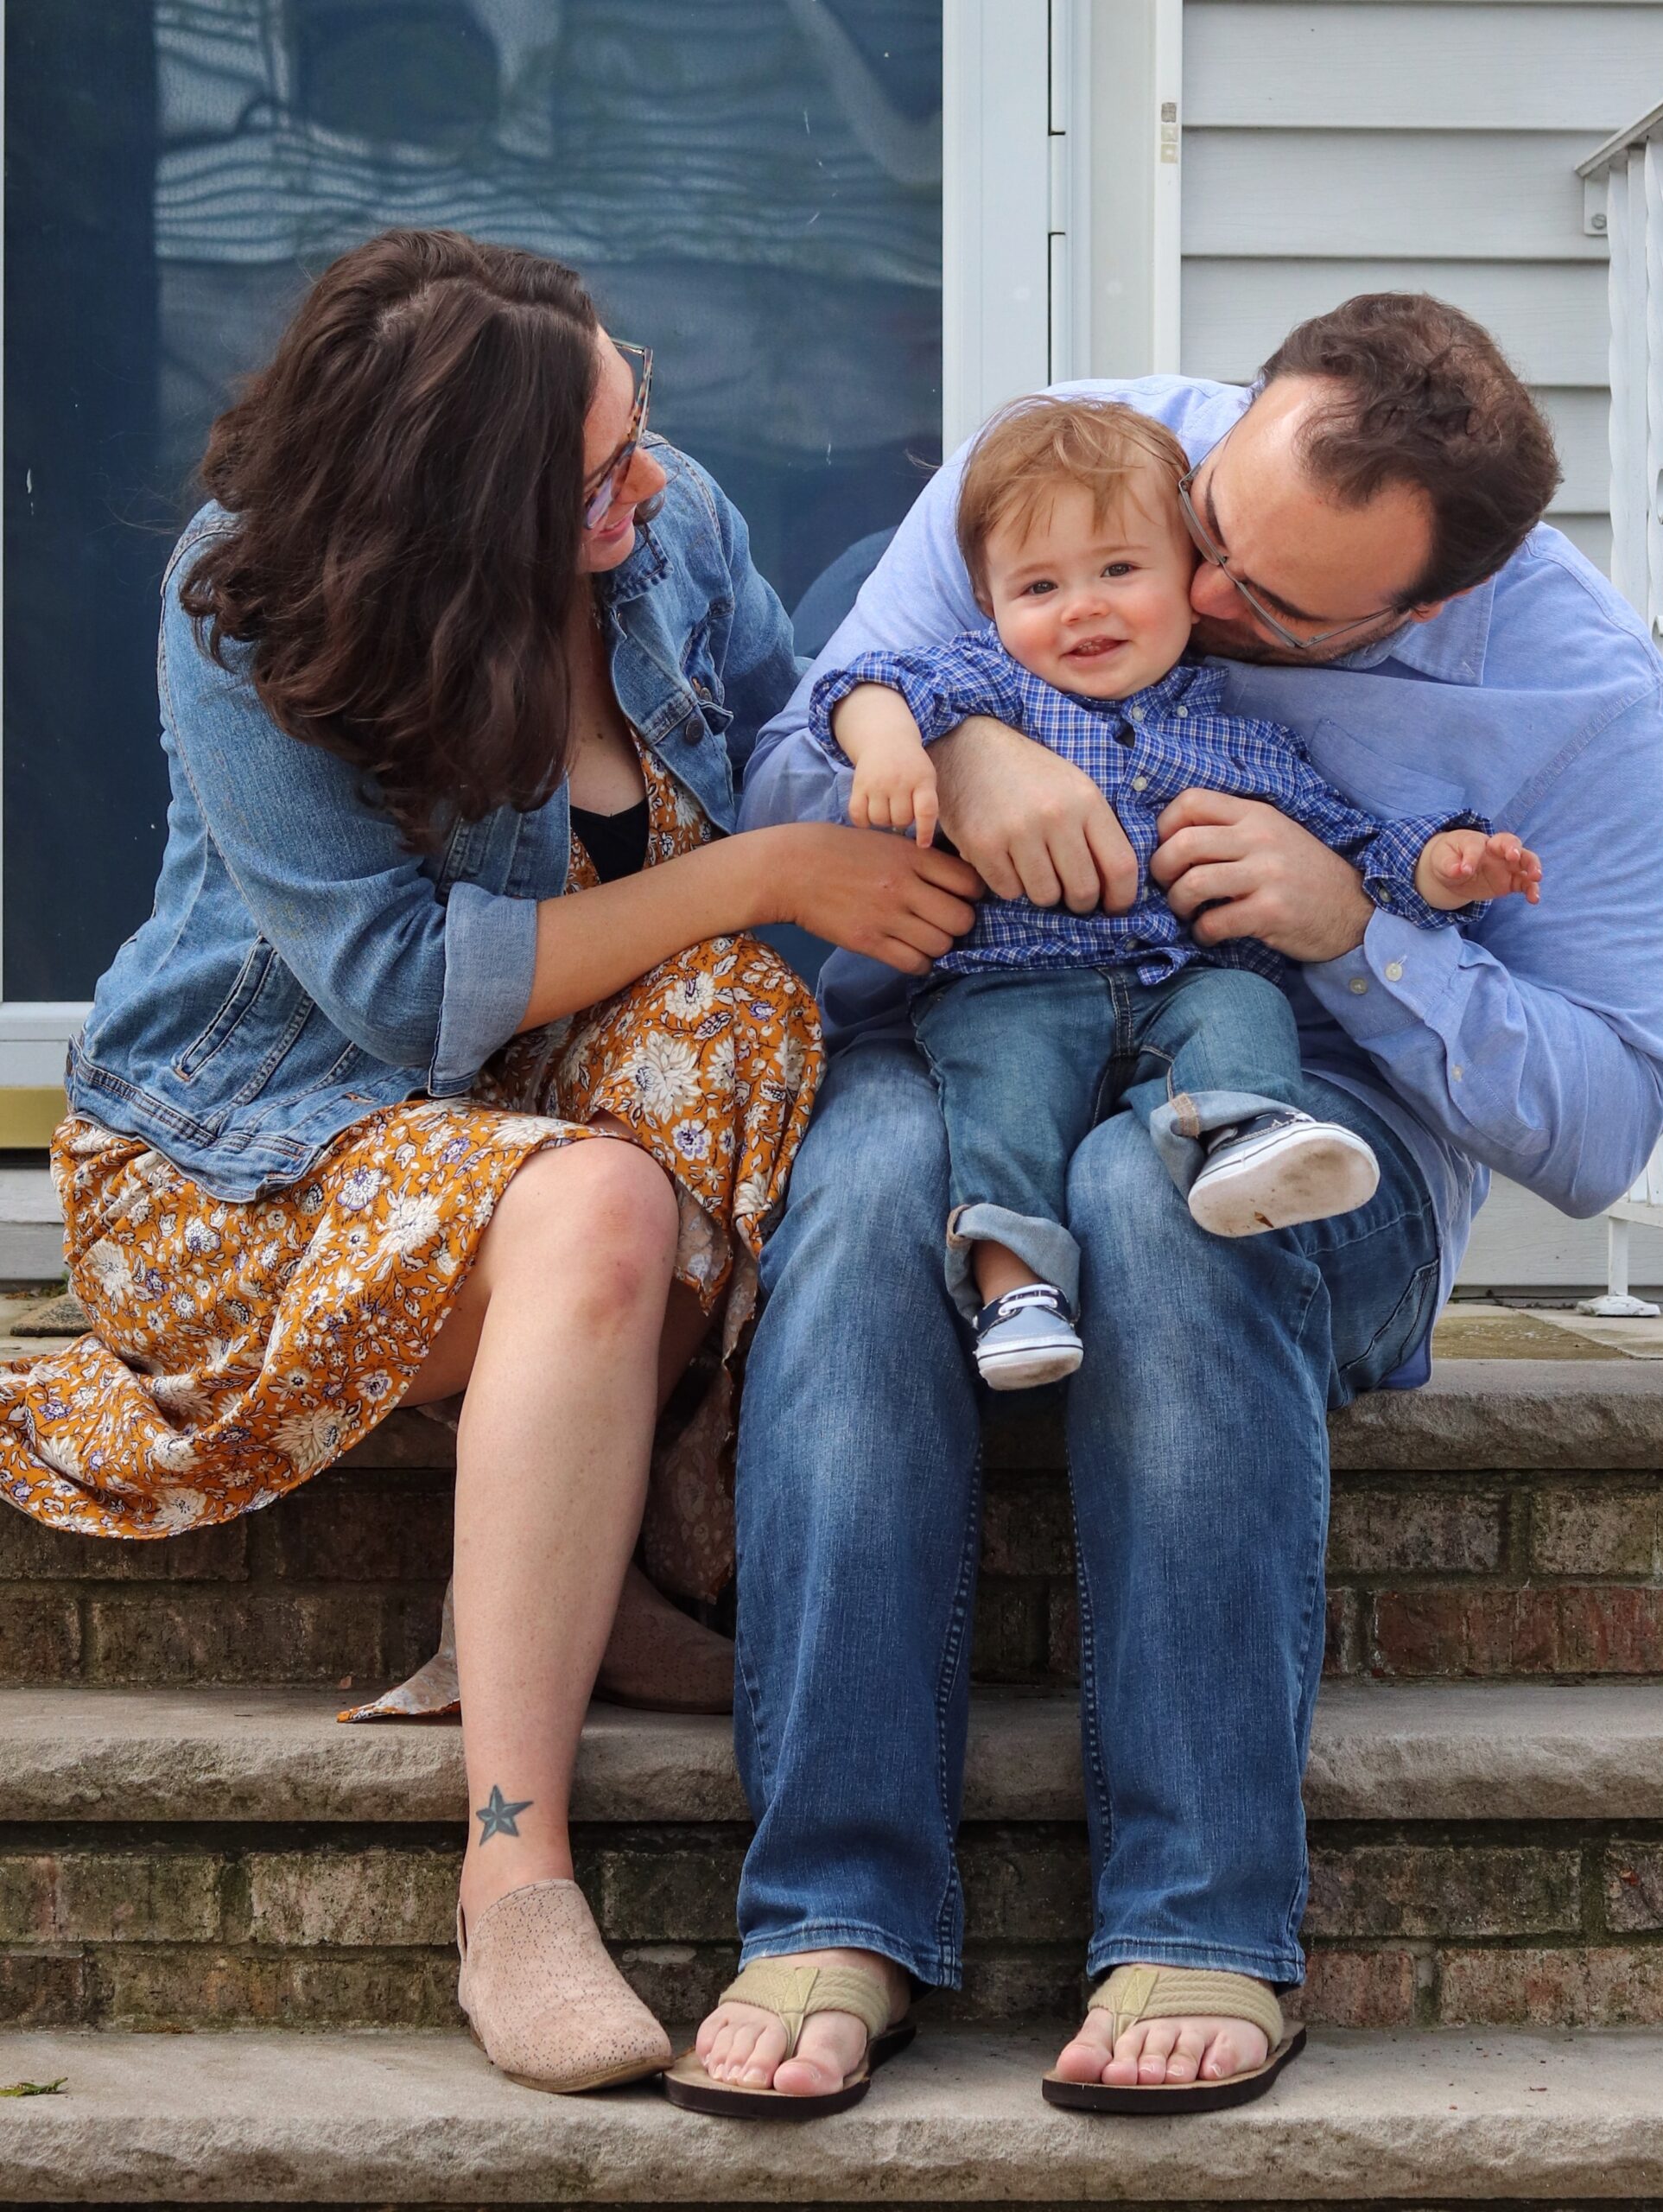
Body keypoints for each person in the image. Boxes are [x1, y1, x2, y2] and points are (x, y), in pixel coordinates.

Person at [675, 294, 1663, 2117]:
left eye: (1273, 607)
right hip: (981, 1037)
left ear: (1422, 605)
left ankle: (1203, 1918)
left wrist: (1355, 929)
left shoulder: (1578, 689)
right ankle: (831, 1905)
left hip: (1315, 1133)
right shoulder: (1074, 459)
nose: (1199, 598)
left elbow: (1609, 1118)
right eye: (1207, 525)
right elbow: (786, 787)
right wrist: (968, 750)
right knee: (871, 1174)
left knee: (1169, 1203)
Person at [0, 229, 976, 2097]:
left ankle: (553, 1546)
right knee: (613, 1170)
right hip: (247, 1152)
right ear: (444, 508)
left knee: (744, 1026)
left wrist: (893, 730)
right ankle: (512, 1871)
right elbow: (392, 992)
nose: (646, 488)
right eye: (592, 477)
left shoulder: (665, 518)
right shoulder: (254, 595)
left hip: (525, 1134)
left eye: (637, 430)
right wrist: (763, 874)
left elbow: (778, 721)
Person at [814, 396, 1540, 1389]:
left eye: (1119, 570)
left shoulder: (1235, 736)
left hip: (1178, 983)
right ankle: (1016, 1284)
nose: (1084, 606)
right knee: (1002, 1102)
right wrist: (899, 743)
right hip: (1012, 987)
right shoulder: (989, 686)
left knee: (1241, 1004)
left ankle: (1244, 1133)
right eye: (1038, 585)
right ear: (989, 607)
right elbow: (862, 686)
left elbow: (1348, 841)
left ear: (1190, 583)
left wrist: (1442, 864)